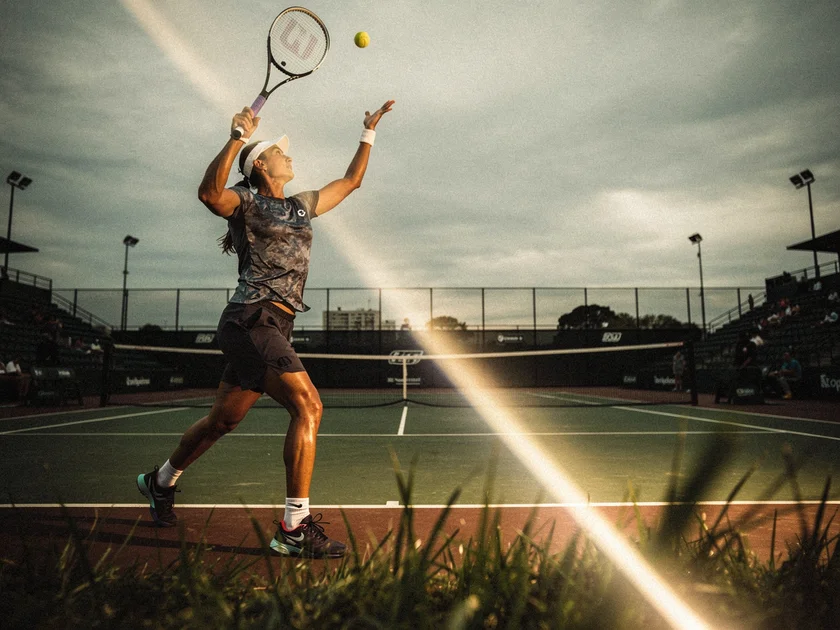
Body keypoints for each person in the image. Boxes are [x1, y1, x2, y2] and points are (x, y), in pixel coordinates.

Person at [136, 99, 395, 560]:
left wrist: (368, 133)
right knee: (309, 406)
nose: (289, 155)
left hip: (275, 324)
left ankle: (160, 481)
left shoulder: (299, 206)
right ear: (260, 163)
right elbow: (209, 195)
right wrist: (236, 134)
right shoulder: (247, 201)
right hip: (251, 318)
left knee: (223, 421)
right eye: (280, 150)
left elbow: (351, 182)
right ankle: (293, 528)